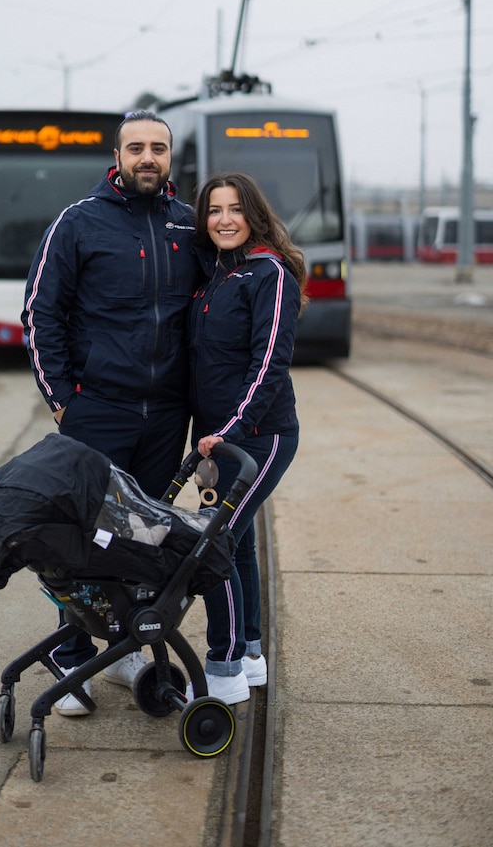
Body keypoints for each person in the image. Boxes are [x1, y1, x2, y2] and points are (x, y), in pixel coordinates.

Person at [21, 110, 200, 714]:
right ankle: (72, 652)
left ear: (171, 158)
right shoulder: (78, 223)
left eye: (159, 148)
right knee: (83, 535)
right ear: (117, 156)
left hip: (165, 416)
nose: (148, 158)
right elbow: (40, 315)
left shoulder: (189, 225)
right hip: (97, 409)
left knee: (142, 536)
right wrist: (64, 403)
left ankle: (123, 649)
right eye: (136, 148)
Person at [187, 172, 307, 705]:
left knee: (214, 540)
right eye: (214, 210)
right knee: (238, 540)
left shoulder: (270, 274)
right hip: (220, 441)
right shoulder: (217, 275)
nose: (225, 219)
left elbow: (270, 367)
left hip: (260, 436)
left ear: (253, 214)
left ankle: (225, 665)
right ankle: (251, 652)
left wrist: (227, 432)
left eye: (235, 209)